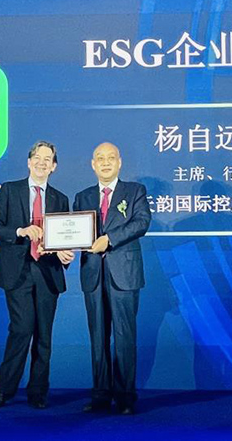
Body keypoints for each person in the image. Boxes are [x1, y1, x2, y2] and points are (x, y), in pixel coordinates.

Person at [0, 141, 74, 409]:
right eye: (37, 157)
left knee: (44, 336)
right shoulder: (9, 190)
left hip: (48, 272)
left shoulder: (60, 199)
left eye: (48, 159)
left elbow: (65, 237)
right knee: (21, 329)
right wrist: (20, 231)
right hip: (18, 271)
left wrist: (64, 253)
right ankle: (4, 391)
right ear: (28, 161)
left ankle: (38, 393)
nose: (41, 162)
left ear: (54, 167)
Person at [73, 142, 151, 415]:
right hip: (93, 274)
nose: (105, 162)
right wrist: (62, 248)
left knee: (124, 336)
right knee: (98, 337)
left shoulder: (135, 191)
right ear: (93, 164)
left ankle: (126, 397)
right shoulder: (82, 196)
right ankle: (100, 395)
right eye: (100, 158)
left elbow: (141, 222)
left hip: (124, 274)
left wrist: (109, 239)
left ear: (120, 162)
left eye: (111, 158)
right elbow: (74, 232)